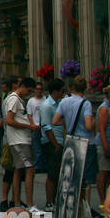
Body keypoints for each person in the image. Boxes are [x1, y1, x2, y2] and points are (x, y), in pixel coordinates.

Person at [53, 76, 96, 205]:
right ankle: (85, 205)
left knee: (72, 176)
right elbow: (89, 125)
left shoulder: (64, 102)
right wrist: (94, 121)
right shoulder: (85, 103)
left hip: (71, 142)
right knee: (86, 179)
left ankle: (71, 203)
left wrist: (66, 122)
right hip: (86, 142)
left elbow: (55, 121)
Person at [4, 76, 36, 212]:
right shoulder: (14, 99)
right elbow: (9, 120)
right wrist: (28, 126)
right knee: (29, 169)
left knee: (18, 170)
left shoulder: (17, 99)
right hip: (19, 140)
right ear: (22, 86)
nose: (29, 93)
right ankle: (29, 204)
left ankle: (17, 202)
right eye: (28, 90)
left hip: (18, 139)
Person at [39, 79, 66, 209]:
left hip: (59, 141)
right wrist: (55, 144)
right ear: (55, 91)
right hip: (51, 143)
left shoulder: (59, 104)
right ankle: (49, 202)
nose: (63, 93)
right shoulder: (47, 105)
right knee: (52, 173)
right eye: (62, 91)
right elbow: (46, 127)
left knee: (58, 173)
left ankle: (55, 200)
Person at [95, 85, 110, 202]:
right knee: (103, 172)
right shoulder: (104, 108)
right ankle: (102, 200)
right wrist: (105, 146)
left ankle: (109, 199)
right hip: (104, 143)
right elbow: (101, 129)